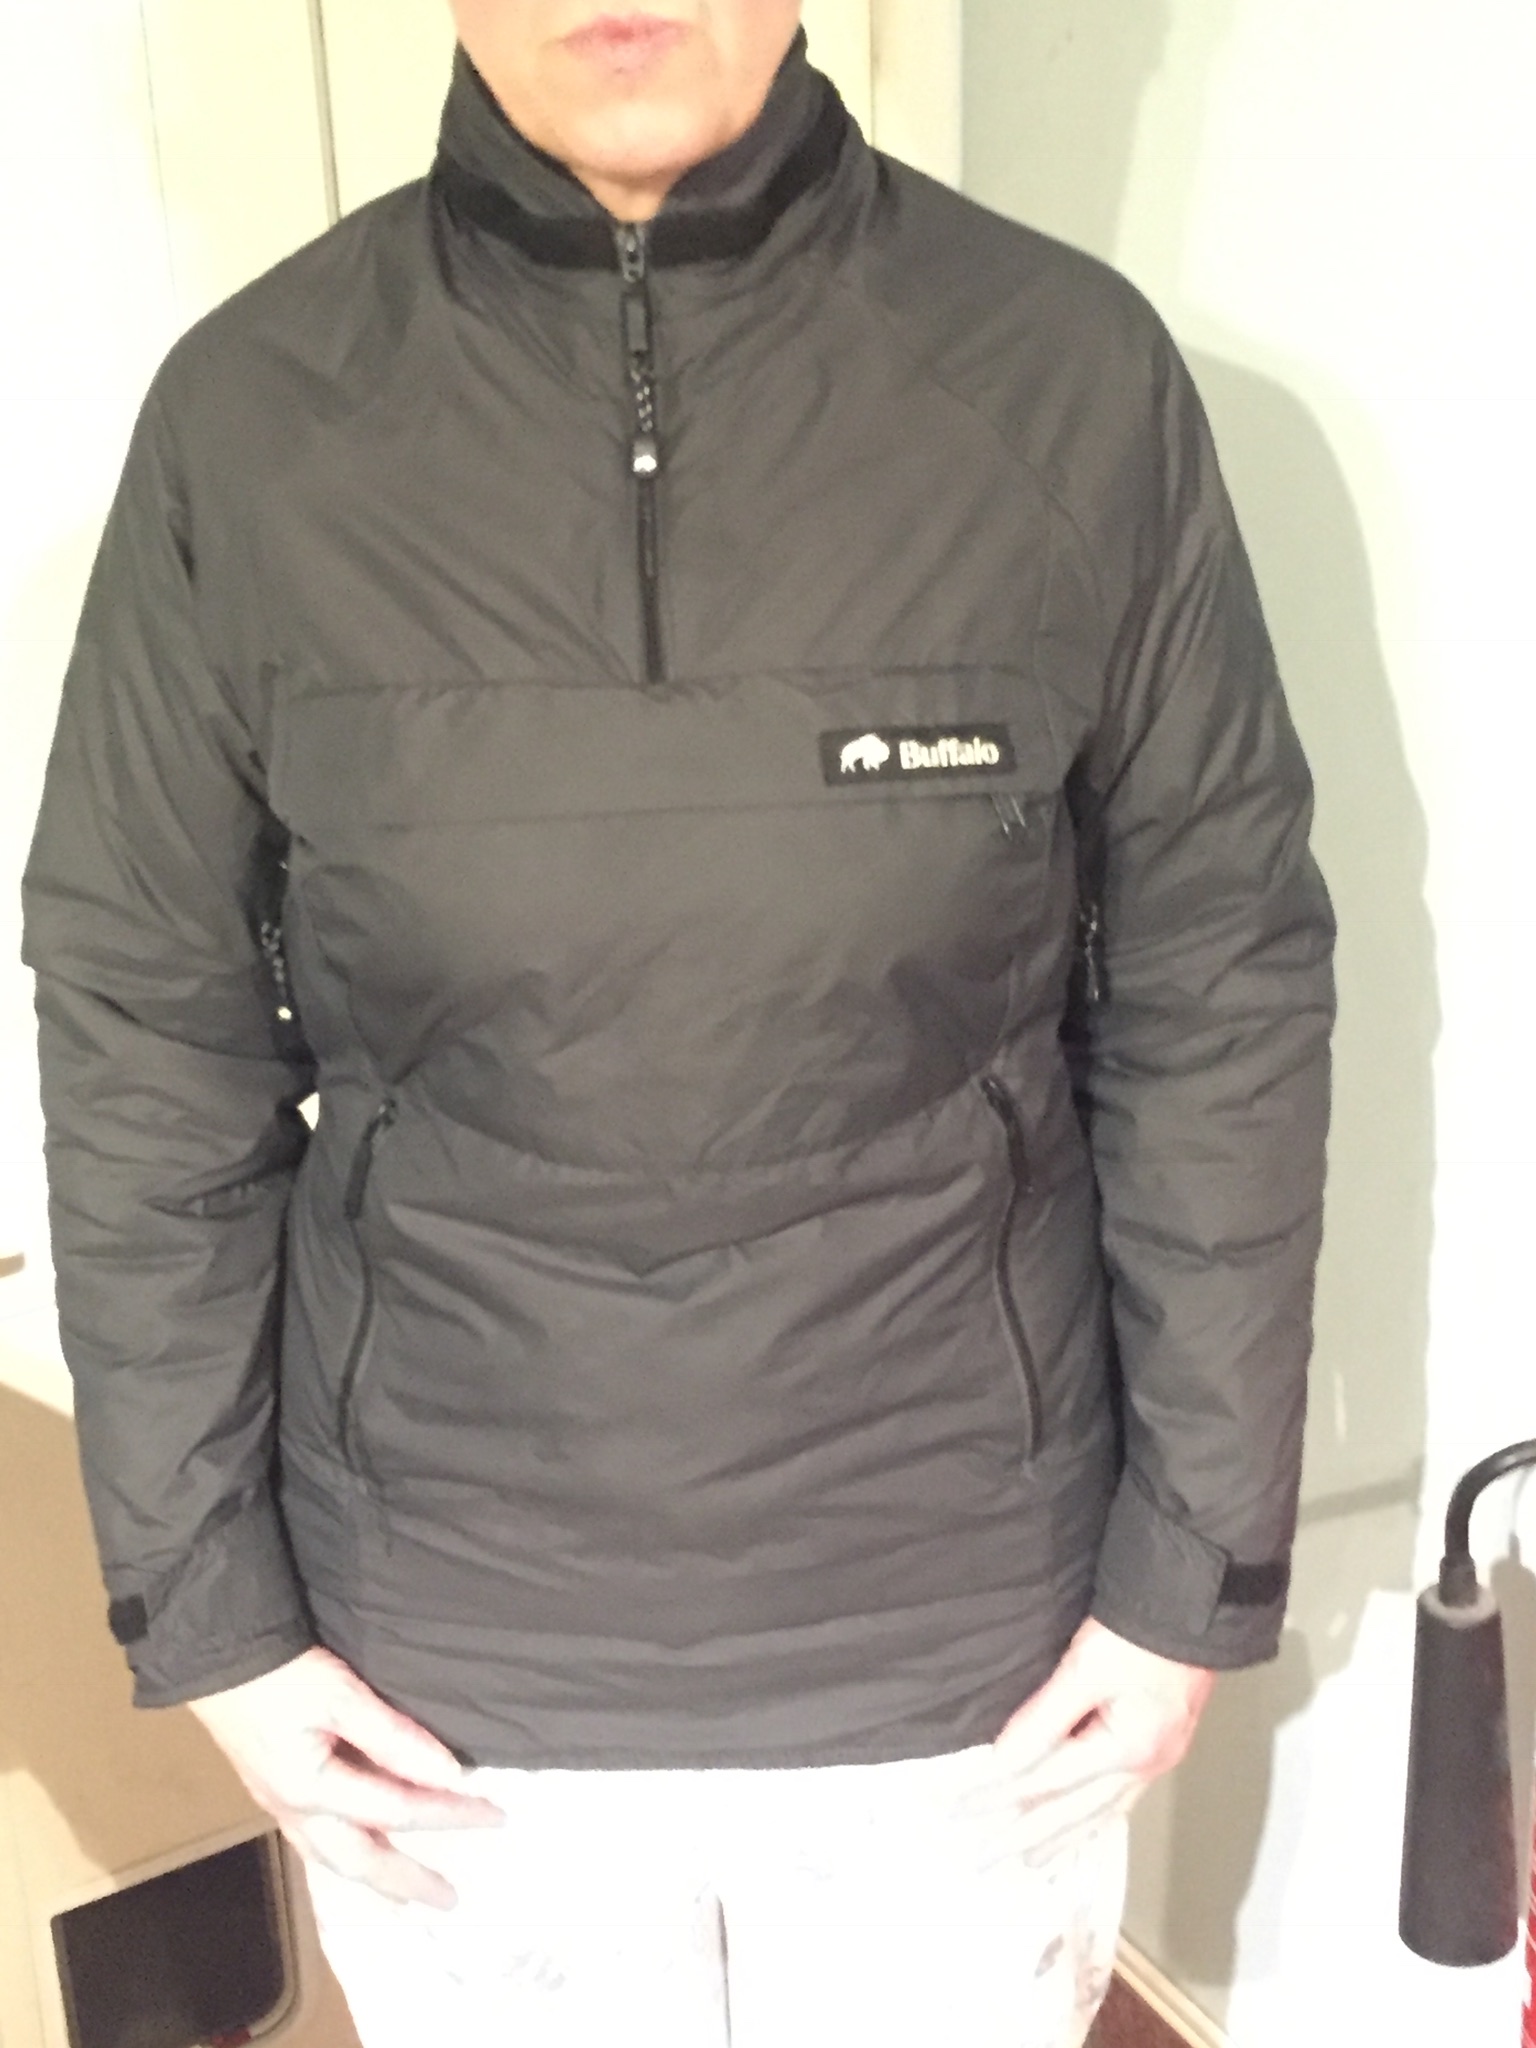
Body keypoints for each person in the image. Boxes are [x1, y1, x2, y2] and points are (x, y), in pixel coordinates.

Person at [21, 5, 1335, 2044]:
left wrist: (1197, 1573)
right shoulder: (249, 417)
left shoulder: (1072, 379)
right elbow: (146, 1031)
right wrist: (213, 1620)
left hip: (961, 1677)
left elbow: (1220, 989)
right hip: (446, 1700)